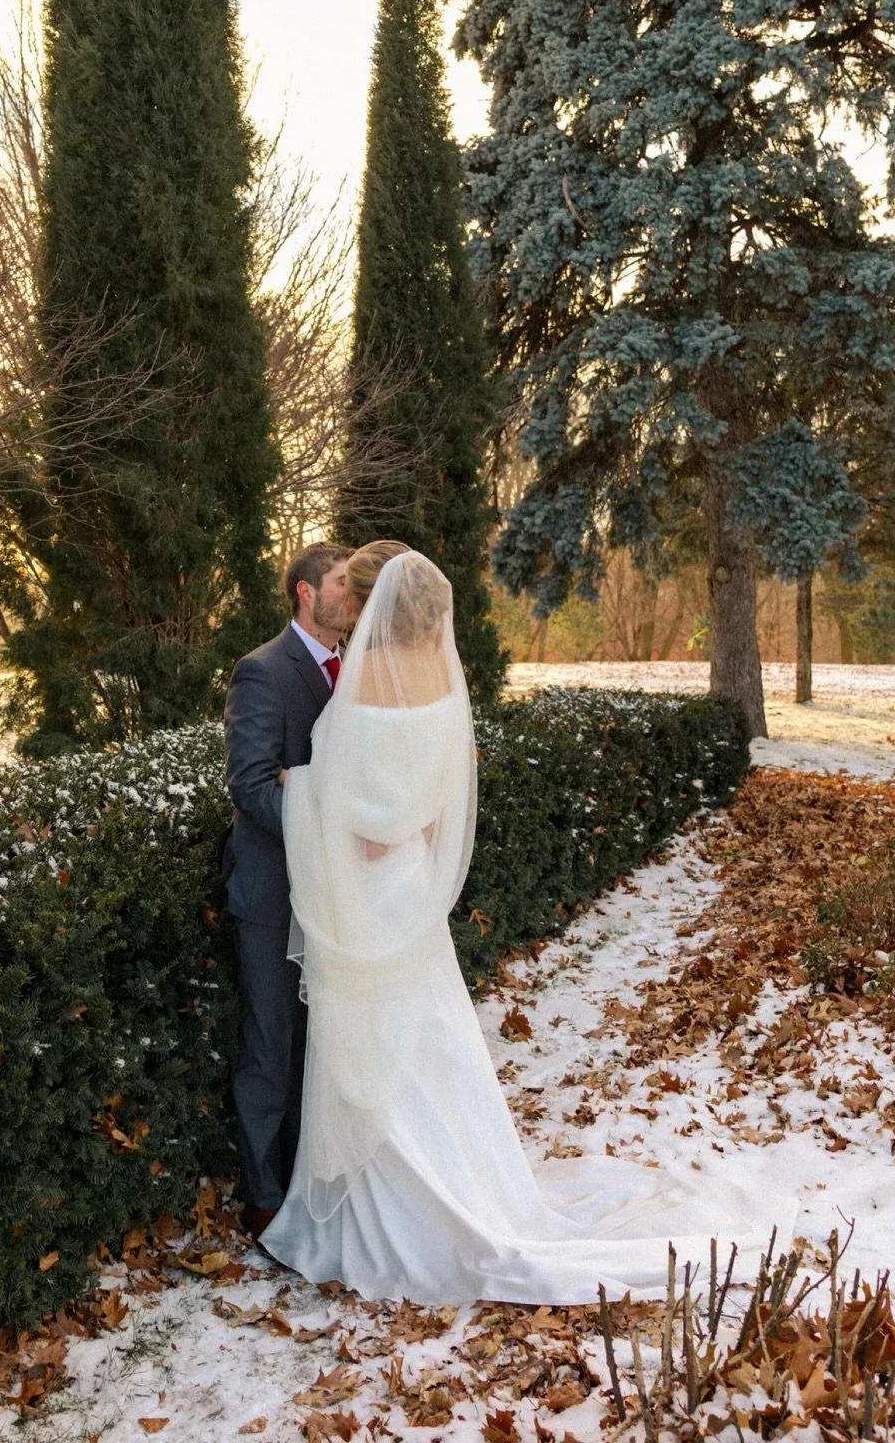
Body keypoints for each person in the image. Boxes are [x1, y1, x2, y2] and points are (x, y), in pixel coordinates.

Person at [260, 540, 784, 1305]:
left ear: (371, 606)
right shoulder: (441, 673)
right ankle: (467, 1180)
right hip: (410, 884)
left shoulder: (368, 677)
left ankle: (394, 1213)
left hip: (371, 890)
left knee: (377, 1046)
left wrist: (298, 786)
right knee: (426, 1039)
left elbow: (363, 823)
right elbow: (430, 800)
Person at [222, 541, 352, 1242]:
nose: (353, 595)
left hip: (339, 899)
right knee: (271, 1049)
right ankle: (264, 1200)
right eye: (343, 582)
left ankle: (311, 1184)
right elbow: (249, 783)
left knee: (322, 1050)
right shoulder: (263, 670)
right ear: (306, 591)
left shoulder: (359, 671)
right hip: (274, 895)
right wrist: (326, 832)